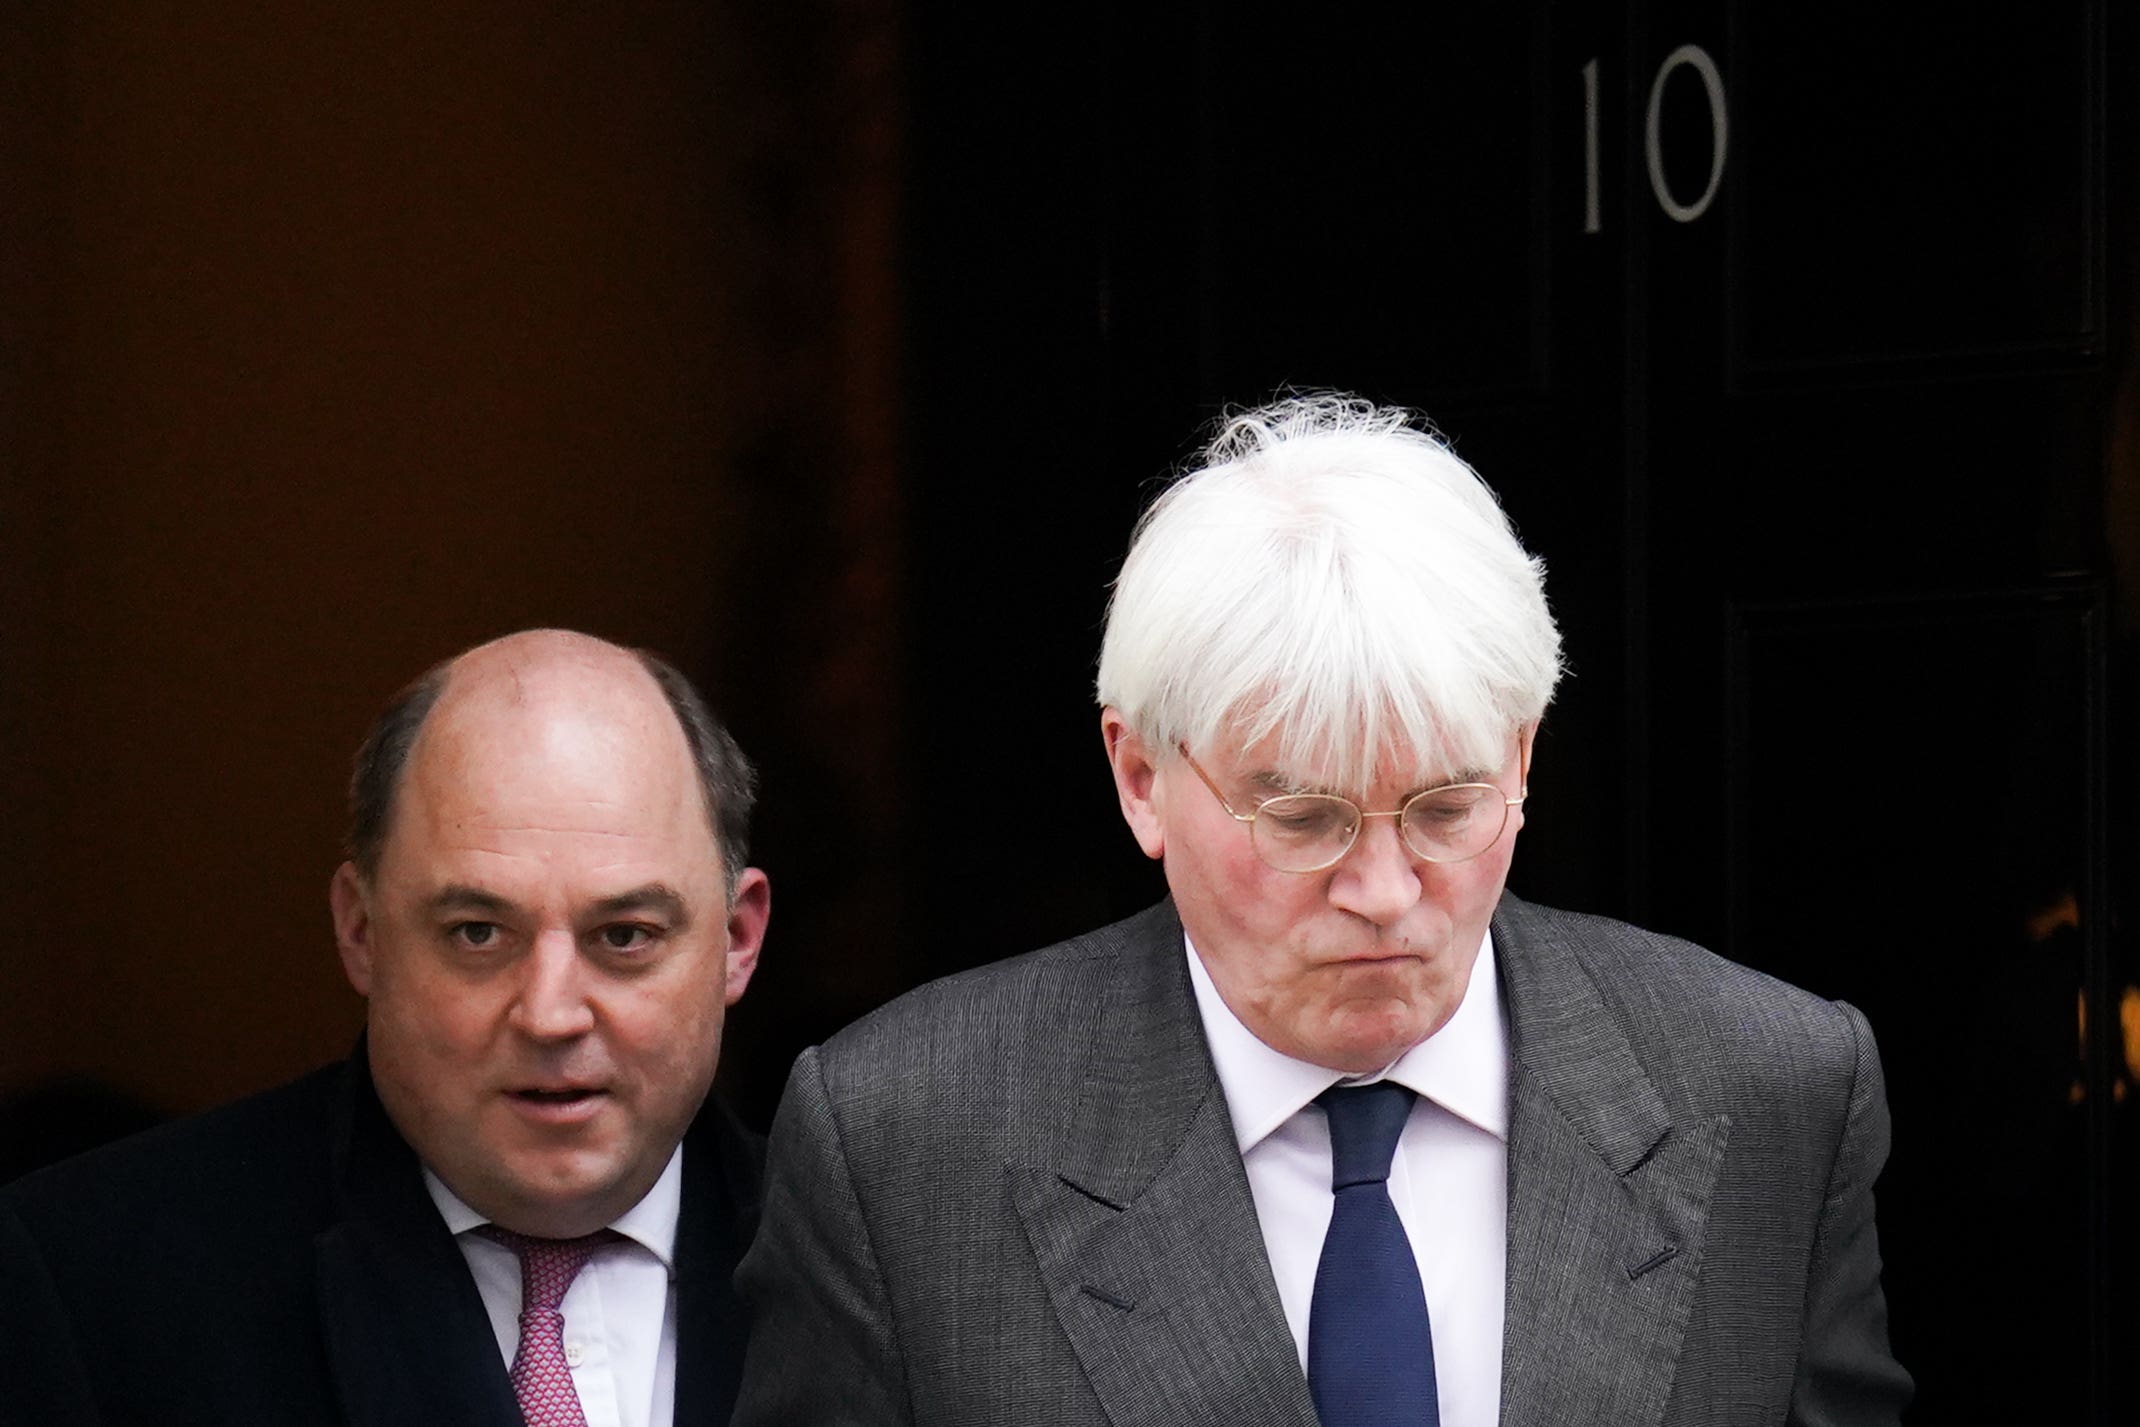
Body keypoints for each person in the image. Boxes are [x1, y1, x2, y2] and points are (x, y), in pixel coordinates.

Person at [732, 396, 1910, 1426]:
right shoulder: (902, 1144)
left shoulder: (1773, 1092)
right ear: (1139, 775)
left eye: (1446, 808)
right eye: (1303, 818)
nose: (1386, 892)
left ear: (1523, 754)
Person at [0, 629, 771, 1427]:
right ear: (361, 930)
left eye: (623, 936)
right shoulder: (90, 1283)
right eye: (477, 931)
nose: (550, 1014)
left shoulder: (873, 1264)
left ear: (736, 941)